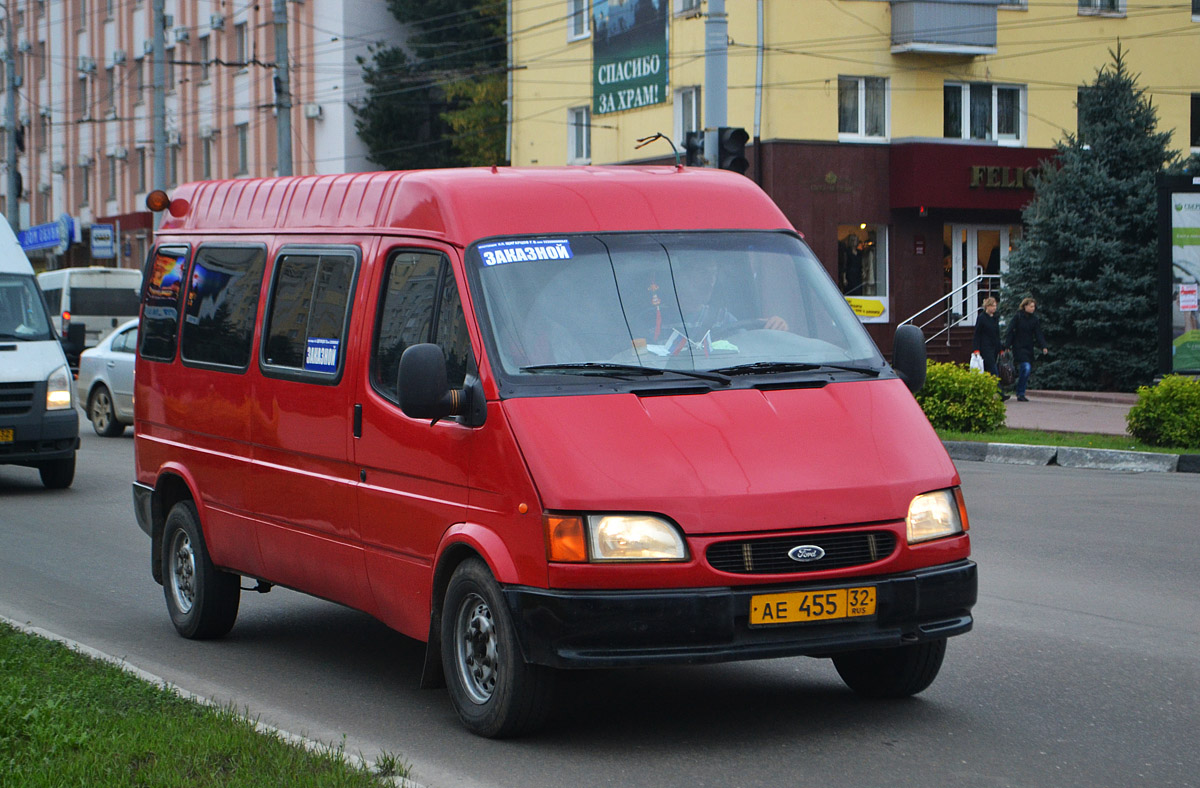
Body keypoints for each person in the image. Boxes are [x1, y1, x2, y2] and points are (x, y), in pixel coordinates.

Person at [1004, 296, 1048, 402]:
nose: (1033, 308)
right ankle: (1020, 392)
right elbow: (1010, 331)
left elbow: (1038, 334)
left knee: (1026, 370)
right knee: (1026, 367)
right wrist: (1007, 345)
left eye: (1034, 306)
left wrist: (1044, 346)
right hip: (1018, 347)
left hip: (1029, 347)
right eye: (1031, 306)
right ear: (1025, 306)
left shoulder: (1034, 319)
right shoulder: (1018, 317)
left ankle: (1020, 392)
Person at [971, 296, 1007, 400]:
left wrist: (1000, 348)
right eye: (993, 306)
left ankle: (985, 393)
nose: (995, 308)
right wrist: (976, 349)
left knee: (987, 371)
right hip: (985, 347)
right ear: (987, 306)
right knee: (993, 369)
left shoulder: (995, 318)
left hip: (994, 347)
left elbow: (997, 334)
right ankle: (1000, 393)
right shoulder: (982, 318)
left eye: (995, 306)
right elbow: (977, 334)